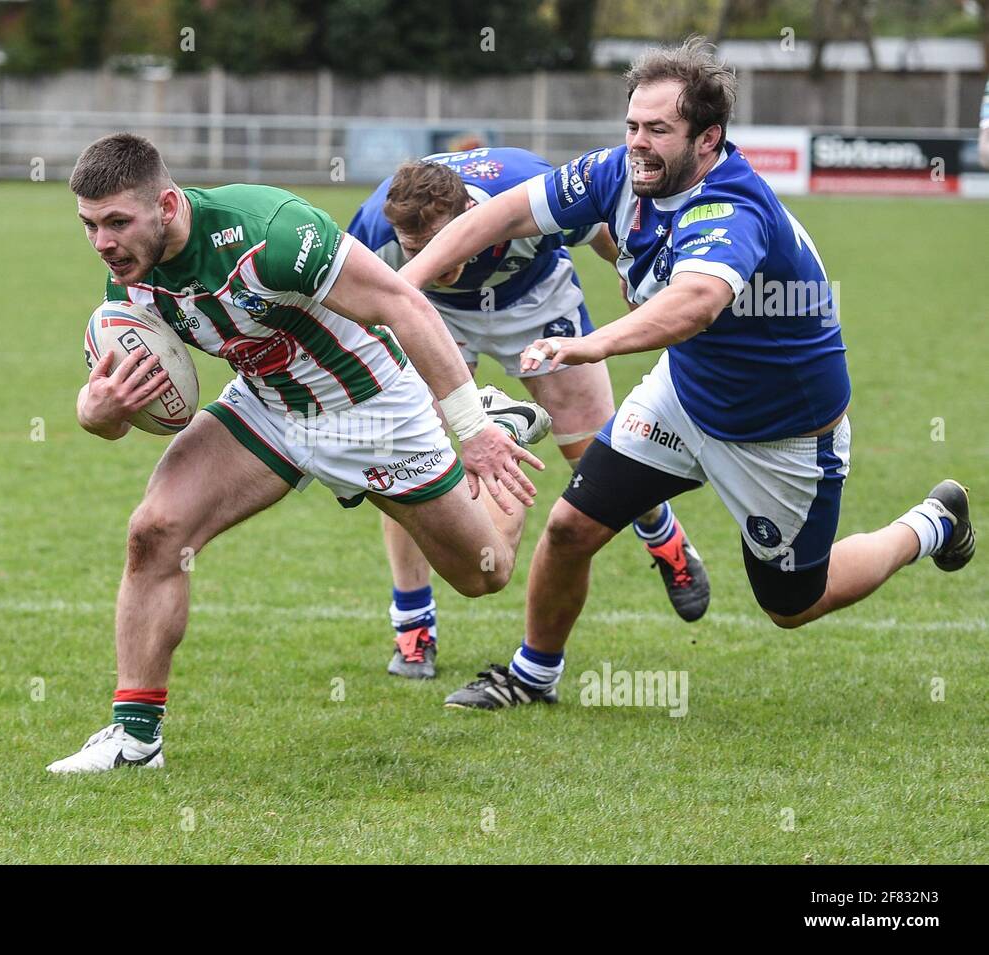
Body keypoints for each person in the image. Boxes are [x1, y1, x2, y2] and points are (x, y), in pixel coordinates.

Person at [397, 38, 976, 710]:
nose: (639, 143)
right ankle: (533, 675)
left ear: (708, 139)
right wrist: (404, 287)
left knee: (792, 603)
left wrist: (592, 345)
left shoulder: (734, 206)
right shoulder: (619, 172)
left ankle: (932, 521)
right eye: (633, 126)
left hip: (780, 436)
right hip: (685, 396)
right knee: (569, 528)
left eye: (659, 131)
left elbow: (694, 305)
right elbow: (510, 211)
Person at [47, 133, 547, 770]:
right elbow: (117, 414)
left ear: (168, 206)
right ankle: (135, 739)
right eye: (90, 225)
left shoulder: (271, 231)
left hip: (372, 410)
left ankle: (501, 420)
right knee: (155, 530)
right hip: (270, 407)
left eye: (117, 222)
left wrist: (472, 428)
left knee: (484, 573)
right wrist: (96, 412)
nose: (103, 243)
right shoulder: (130, 280)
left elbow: (403, 303)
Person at [347, 149, 710, 680]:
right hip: (436, 321)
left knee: (601, 458)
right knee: (410, 462)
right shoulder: (375, 225)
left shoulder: (529, 186)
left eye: (445, 250)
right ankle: (414, 627)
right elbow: (351, 305)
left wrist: (633, 282)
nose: (439, 267)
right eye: (418, 252)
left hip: (539, 302)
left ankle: (662, 535)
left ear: (472, 214)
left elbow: (601, 233)